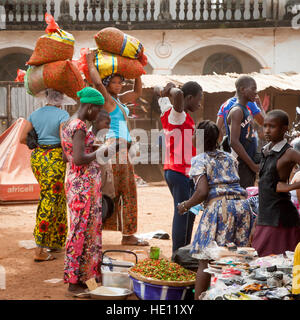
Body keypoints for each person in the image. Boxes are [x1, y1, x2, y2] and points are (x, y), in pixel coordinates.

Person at [177, 120, 255, 300]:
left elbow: (202, 191)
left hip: (221, 208)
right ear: (218, 138)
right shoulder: (229, 157)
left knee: (206, 258)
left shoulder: (199, 160)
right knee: (234, 256)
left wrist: (185, 205)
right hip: (242, 206)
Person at [86, 50, 148, 246]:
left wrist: (137, 69)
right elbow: (96, 83)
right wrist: (89, 61)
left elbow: (138, 93)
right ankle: (127, 235)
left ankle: (103, 232)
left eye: (121, 82)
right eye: (115, 82)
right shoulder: (108, 101)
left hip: (121, 151)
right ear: (107, 85)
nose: (120, 85)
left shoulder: (119, 101)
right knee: (125, 192)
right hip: (115, 150)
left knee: (117, 192)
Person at [61, 87, 105, 296]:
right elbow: (79, 159)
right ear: (89, 107)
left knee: (84, 230)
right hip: (83, 188)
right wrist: (100, 151)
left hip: (76, 182)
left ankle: (85, 277)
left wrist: (90, 148)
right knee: (80, 232)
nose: (98, 115)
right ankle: (74, 282)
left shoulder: (68, 123)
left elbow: (67, 157)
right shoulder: (78, 126)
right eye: (97, 110)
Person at [19, 89, 69, 262]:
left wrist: (39, 142)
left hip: (39, 158)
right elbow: (65, 140)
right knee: (51, 198)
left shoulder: (35, 114)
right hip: (55, 159)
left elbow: (21, 138)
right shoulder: (63, 115)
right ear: (61, 98)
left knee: (54, 196)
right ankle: (40, 249)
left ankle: (55, 241)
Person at [155, 81, 203, 255]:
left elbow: (159, 91)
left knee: (188, 212)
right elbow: (177, 95)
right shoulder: (178, 115)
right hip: (180, 171)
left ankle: (182, 251)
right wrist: (172, 89)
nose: (200, 103)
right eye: (199, 99)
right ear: (188, 98)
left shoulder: (168, 110)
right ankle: (179, 254)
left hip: (174, 170)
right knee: (183, 212)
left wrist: (164, 90)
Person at [252, 110, 300, 257]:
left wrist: (291, 186)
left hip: (280, 219)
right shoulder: (266, 150)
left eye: (272, 126)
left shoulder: (289, 152)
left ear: (284, 129)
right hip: (265, 215)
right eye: (265, 126)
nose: (266, 130)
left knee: (276, 264)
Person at [224, 75, 260, 189]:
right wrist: (253, 165)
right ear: (242, 90)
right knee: (241, 199)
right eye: (253, 89)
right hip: (241, 165)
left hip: (247, 163)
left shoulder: (246, 110)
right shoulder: (237, 111)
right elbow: (234, 142)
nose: (256, 92)